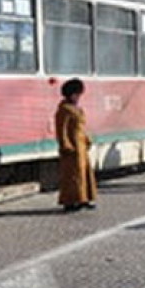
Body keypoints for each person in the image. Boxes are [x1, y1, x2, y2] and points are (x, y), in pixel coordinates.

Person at [55, 78, 97, 212]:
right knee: (73, 175)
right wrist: (65, 144)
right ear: (71, 94)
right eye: (77, 94)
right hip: (72, 146)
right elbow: (61, 129)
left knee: (83, 173)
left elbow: (81, 128)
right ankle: (71, 201)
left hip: (81, 145)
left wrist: (87, 139)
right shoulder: (64, 110)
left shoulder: (76, 109)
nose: (78, 97)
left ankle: (83, 198)